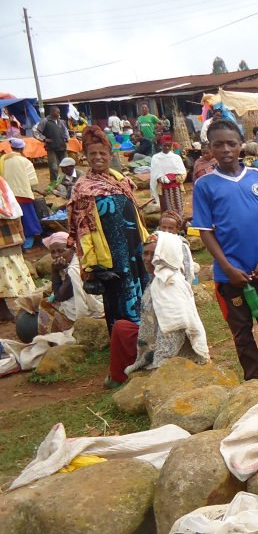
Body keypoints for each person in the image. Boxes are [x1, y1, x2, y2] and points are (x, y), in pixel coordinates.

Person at [192, 119, 258, 384]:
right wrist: (228, 267)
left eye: (231, 143)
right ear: (210, 147)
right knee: (242, 332)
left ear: (241, 145)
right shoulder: (205, 185)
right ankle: (254, 382)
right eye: (218, 144)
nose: (226, 149)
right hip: (229, 276)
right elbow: (205, 231)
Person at [68, 126, 151, 333]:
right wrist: (92, 265)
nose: (98, 157)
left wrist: (148, 243)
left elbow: (137, 216)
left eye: (102, 153)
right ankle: (125, 339)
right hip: (112, 254)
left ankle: (147, 334)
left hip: (135, 247)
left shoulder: (121, 181)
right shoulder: (83, 187)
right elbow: (83, 230)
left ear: (110, 155)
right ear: (85, 157)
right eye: (92, 153)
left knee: (143, 286)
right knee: (119, 292)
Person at [106, 231, 209, 387]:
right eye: (145, 254)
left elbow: (173, 329)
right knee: (122, 327)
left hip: (176, 350)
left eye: (153, 254)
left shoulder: (169, 284)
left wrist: (160, 364)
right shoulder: (159, 278)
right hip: (155, 336)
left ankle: (118, 378)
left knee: (122, 329)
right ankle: (118, 376)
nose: (147, 259)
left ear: (164, 255)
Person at [0, 176, 35, 323]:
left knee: (14, 272)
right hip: (7, 232)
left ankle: (28, 311)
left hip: (6, 232)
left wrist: (20, 229)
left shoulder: (1, 183)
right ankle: (6, 312)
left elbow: (13, 208)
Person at [0, 139, 41, 248]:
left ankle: (15, 242)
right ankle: (27, 245)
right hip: (23, 195)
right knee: (27, 219)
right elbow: (33, 182)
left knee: (13, 221)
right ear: (22, 148)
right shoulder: (25, 161)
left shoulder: (3, 160)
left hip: (7, 197)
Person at [150, 135, 187, 215]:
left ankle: (179, 224)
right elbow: (154, 175)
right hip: (162, 188)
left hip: (176, 187)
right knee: (166, 210)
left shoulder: (176, 157)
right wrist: (162, 179)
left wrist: (173, 178)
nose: (167, 148)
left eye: (169, 146)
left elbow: (183, 173)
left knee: (178, 209)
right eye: (165, 145)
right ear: (161, 145)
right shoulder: (156, 158)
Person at [38, 106, 70, 182]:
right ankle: (54, 183)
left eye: (59, 112)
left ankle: (67, 181)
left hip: (62, 147)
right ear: (52, 112)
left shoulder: (61, 122)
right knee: (54, 167)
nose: (59, 113)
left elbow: (66, 131)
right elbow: (36, 132)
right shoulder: (45, 121)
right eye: (57, 112)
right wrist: (44, 139)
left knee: (67, 165)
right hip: (51, 148)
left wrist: (66, 138)